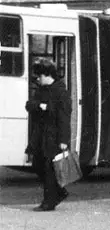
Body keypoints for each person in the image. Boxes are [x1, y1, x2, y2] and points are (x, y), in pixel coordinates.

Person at [24, 59, 72, 211]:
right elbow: (29, 105)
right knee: (37, 165)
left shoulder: (61, 92)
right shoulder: (41, 90)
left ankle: (48, 203)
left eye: (39, 76)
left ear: (47, 75)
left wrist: (64, 140)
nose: (37, 79)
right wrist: (40, 106)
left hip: (54, 136)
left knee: (49, 170)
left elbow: (64, 117)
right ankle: (59, 192)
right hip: (40, 136)